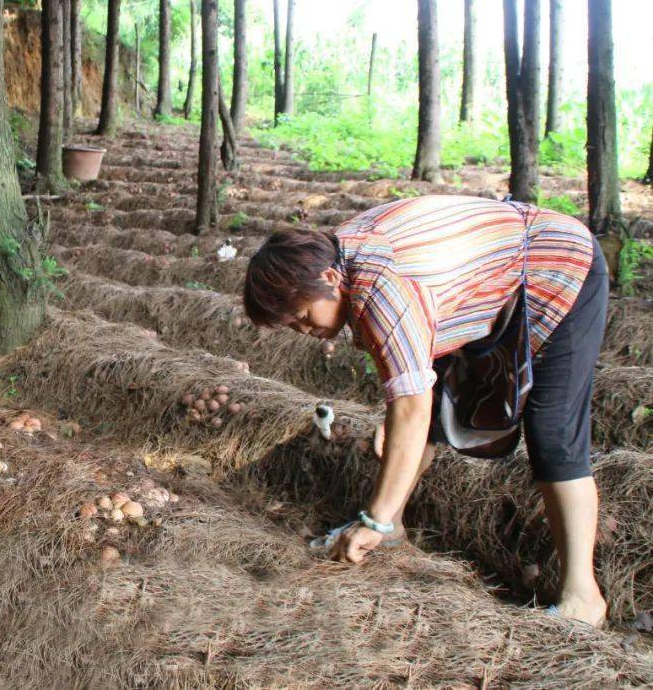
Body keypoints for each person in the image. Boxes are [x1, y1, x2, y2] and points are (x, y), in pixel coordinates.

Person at [242, 194, 608, 627]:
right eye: (293, 325)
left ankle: (583, 596)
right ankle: (392, 523)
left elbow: (411, 409)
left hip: (560, 268)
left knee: (552, 433)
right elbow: (414, 397)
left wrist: (370, 520)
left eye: (303, 315)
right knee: (428, 417)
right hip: (482, 276)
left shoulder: (384, 288)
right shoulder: (344, 257)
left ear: (328, 277)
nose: (305, 330)